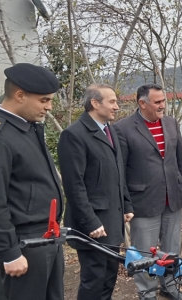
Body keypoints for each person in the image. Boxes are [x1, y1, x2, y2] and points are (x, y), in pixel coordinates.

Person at [0, 63, 64, 300]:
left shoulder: (27, 128)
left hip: (46, 237)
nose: (49, 107)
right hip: (24, 242)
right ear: (20, 95)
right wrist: (9, 251)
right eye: (44, 100)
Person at [112, 83, 182, 300]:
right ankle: (147, 292)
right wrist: (125, 202)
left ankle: (170, 285)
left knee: (171, 248)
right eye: (157, 102)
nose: (163, 106)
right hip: (143, 201)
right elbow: (121, 170)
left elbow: (180, 158)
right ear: (142, 103)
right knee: (145, 253)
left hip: (172, 198)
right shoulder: (123, 128)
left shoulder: (171, 123)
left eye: (164, 101)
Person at [58, 83, 134, 300]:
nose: (117, 107)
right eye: (112, 102)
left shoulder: (110, 130)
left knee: (109, 277)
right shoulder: (74, 135)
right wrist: (90, 222)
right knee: (94, 280)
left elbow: (119, 173)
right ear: (94, 103)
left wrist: (126, 204)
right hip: (92, 226)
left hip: (112, 220)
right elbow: (74, 185)